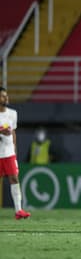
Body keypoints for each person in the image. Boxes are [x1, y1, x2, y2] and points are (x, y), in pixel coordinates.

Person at [0, 87, 31, 220]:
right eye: (2, 96)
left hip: (8, 153)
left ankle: (19, 211)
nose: (6, 98)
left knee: (14, 179)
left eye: (6, 96)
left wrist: (15, 152)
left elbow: (13, 132)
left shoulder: (13, 113)